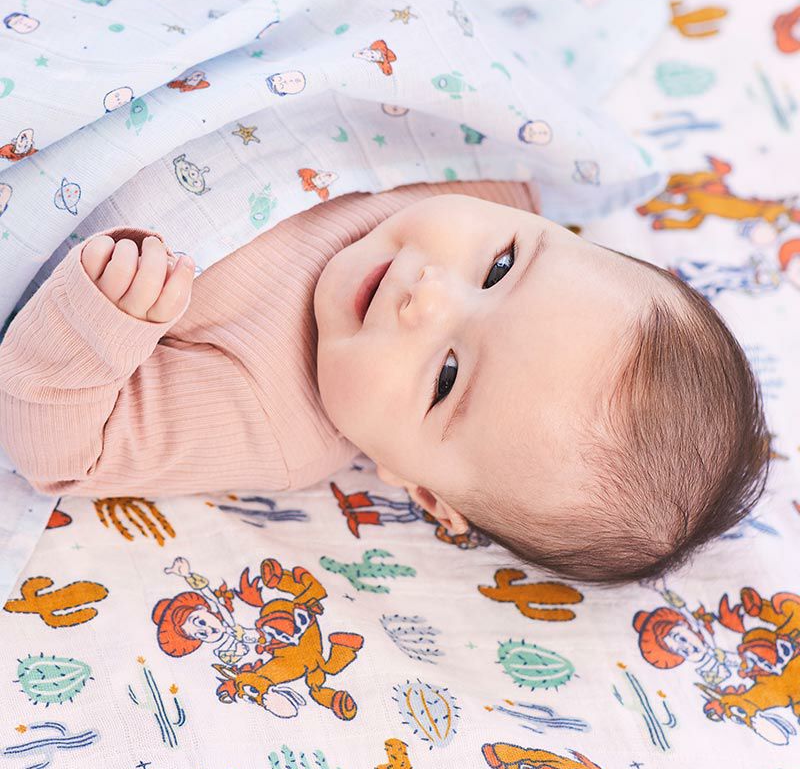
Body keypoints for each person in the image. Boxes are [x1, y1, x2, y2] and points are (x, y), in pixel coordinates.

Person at [0, 179, 771, 584]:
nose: (427, 295)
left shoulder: (271, 416)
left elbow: (66, 452)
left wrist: (96, 321)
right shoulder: (485, 178)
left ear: (424, 491)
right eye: (500, 267)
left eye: (446, 376)